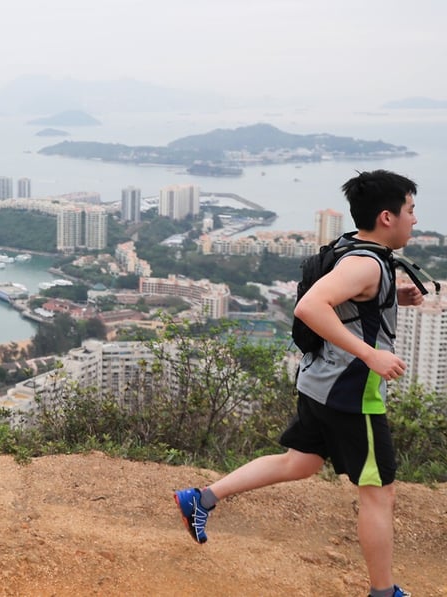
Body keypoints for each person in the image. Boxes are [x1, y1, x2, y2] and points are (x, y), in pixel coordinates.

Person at [174, 170, 422, 597]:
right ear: (387, 216)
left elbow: (349, 304)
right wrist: (371, 355)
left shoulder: (357, 249)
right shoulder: (365, 262)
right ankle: (384, 592)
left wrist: (393, 298)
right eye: (411, 210)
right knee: (379, 495)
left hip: (319, 382)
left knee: (300, 463)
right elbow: (311, 306)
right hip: (349, 395)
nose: (415, 220)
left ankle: (202, 499)